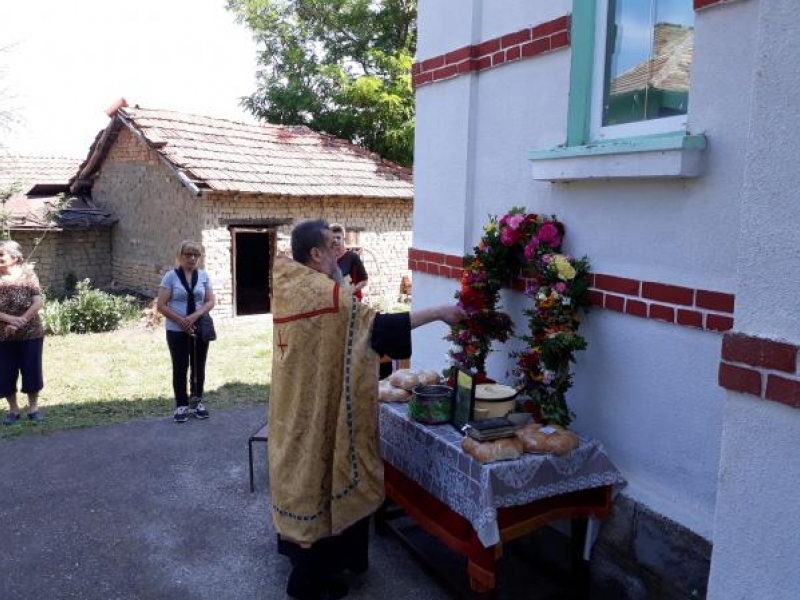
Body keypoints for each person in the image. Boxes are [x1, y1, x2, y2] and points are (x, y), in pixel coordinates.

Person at [269, 219, 465, 600]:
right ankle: (308, 584)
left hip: (291, 407)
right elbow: (376, 329)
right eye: (331, 245)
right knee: (319, 477)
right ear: (315, 254)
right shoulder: (327, 297)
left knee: (303, 479)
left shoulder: (292, 284)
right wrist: (440, 311)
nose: (339, 250)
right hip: (317, 414)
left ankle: (313, 565)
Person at [156, 240, 216, 423]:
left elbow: (210, 301)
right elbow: (161, 305)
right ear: (179, 256)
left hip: (199, 328)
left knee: (199, 365)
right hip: (176, 330)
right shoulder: (170, 277)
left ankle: (197, 401)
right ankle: (181, 405)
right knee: (180, 366)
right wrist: (182, 321)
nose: (192, 258)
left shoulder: (204, 276)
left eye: (196, 255)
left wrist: (193, 317)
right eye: (188, 254)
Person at [0, 240, 45, 425]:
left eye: (1, 254)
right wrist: (10, 320)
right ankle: (13, 410)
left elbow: (38, 301)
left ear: (14, 257)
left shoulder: (28, 274)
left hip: (31, 332)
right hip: (2, 334)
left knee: (31, 369)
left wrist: (21, 321)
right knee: (5, 372)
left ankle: (33, 409)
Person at [329, 223, 368, 301]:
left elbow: (364, 280)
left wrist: (352, 290)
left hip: (351, 302)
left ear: (343, 239)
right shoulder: (327, 258)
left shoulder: (353, 257)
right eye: (333, 238)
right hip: (333, 301)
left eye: (338, 238)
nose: (335, 240)